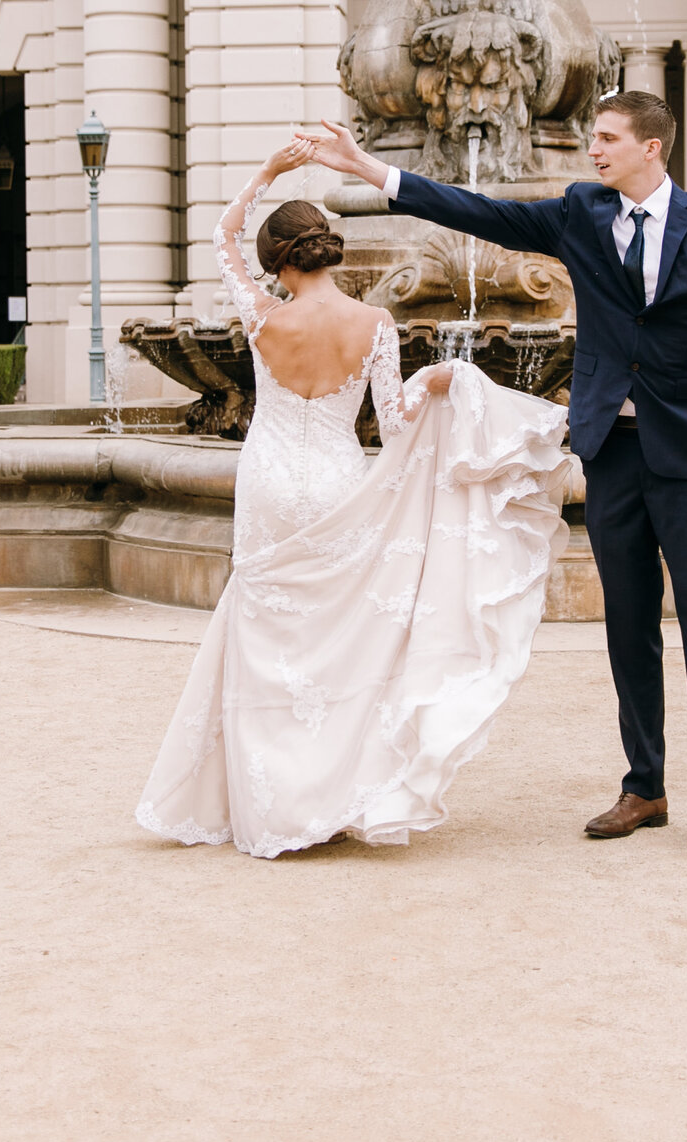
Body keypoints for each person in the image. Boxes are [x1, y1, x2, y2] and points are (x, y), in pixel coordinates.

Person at [299, 90, 687, 866]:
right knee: (628, 625)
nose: (594, 149)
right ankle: (644, 786)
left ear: (653, 147)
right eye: (593, 138)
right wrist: (373, 172)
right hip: (611, 450)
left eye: (609, 138)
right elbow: (479, 211)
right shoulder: (582, 210)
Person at [135, 137, 575, 859]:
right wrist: (440, 381)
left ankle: (265, 805)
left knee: (263, 628)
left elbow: (221, 236)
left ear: (280, 260)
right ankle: (328, 791)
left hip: (270, 479)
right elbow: (396, 423)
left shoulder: (261, 316)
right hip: (339, 480)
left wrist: (268, 170)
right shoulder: (376, 325)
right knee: (332, 637)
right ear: (330, 253)